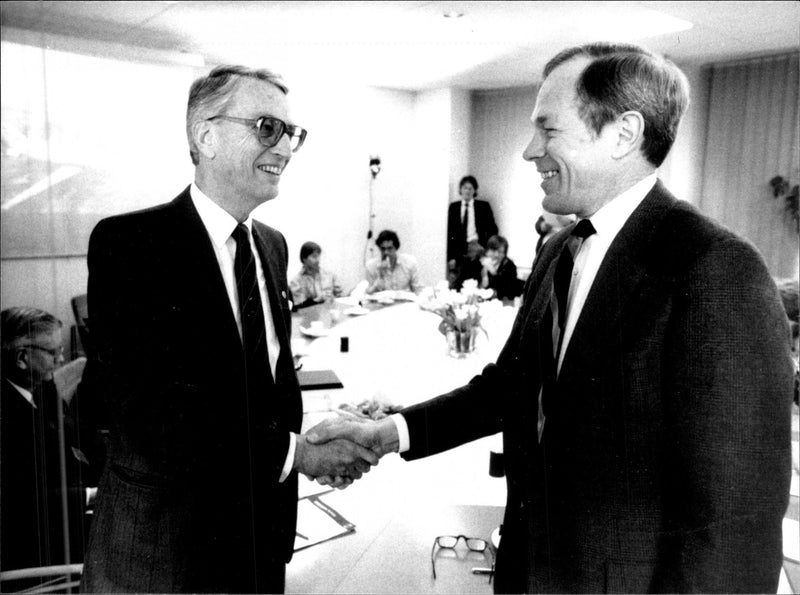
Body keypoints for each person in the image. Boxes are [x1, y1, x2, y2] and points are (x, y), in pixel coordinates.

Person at [308, 42, 794, 593]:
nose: (528, 151)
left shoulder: (713, 268)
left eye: (548, 130)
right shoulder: (559, 250)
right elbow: (512, 387)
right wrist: (387, 432)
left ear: (623, 134)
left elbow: (734, 524)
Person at [79, 65, 378, 594]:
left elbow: (267, 387)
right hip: (164, 549)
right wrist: (297, 453)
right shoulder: (131, 244)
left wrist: (312, 435)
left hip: (260, 537)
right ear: (205, 135)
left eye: (292, 134)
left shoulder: (272, 244)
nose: (284, 148)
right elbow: (153, 412)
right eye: (267, 128)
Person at [1, 307, 97, 576]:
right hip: (33, 545)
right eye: (53, 353)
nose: (62, 358)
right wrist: (92, 495)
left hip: (66, 510)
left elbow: (73, 438)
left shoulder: (40, 385)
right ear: (22, 358)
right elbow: (29, 502)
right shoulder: (7, 419)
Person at [447, 175, 498, 277]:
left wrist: (485, 248)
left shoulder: (483, 206)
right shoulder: (454, 207)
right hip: (459, 252)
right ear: (460, 190)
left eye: (471, 188)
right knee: (459, 282)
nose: (468, 191)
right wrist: (450, 257)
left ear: (475, 191)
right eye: (465, 188)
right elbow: (449, 233)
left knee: (477, 280)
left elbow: (493, 230)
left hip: (478, 249)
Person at [364, 229, 421, 294]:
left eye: (390, 248)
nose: (386, 252)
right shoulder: (371, 266)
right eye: (383, 249)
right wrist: (380, 276)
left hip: (405, 302)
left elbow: (418, 289)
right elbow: (367, 294)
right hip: (381, 302)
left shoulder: (410, 262)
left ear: (396, 248)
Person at [289, 241, 343, 309]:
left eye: (318, 256)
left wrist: (334, 298)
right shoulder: (296, 281)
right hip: (309, 316)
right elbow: (299, 306)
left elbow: (340, 297)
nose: (318, 260)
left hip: (330, 313)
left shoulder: (329, 275)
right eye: (314, 257)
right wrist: (317, 300)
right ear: (304, 259)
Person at [479, 235, 522, 302]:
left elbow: (508, 292)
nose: (496, 255)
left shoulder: (509, 266)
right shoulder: (480, 263)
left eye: (500, 252)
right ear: (487, 250)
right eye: (493, 250)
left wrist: (494, 273)